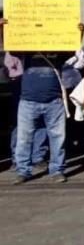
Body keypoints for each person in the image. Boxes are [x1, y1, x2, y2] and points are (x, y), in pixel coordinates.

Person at [0, 18, 71, 184]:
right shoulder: (26, 50)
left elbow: (72, 45)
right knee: (24, 139)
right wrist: (3, 29)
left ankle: (57, 170)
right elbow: (10, 44)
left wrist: (78, 31)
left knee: (58, 139)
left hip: (54, 102)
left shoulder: (59, 52)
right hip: (28, 102)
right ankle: (23, 171)